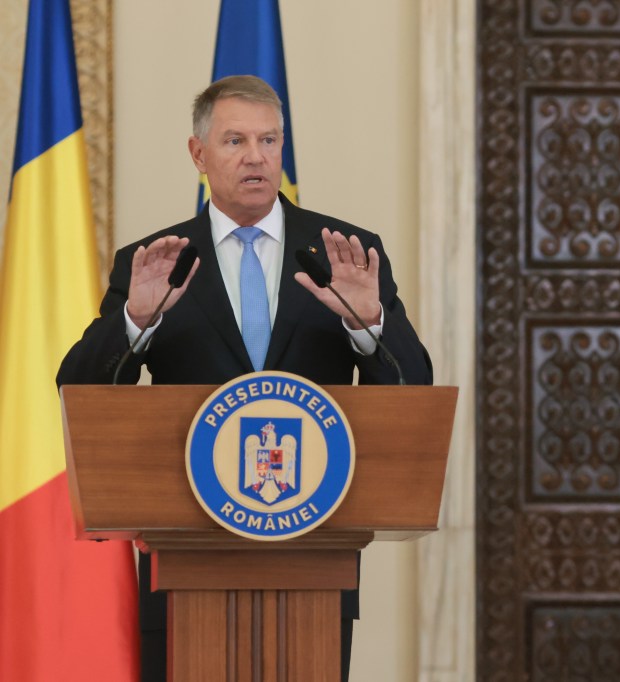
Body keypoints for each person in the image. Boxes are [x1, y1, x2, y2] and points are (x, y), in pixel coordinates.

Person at [57, 75, 431, 682]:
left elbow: (413, 390)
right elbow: (79, 390)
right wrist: (135, 321)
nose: (256, 156)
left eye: (269, 140)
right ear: (198, 153)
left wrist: (369, 325)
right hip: (183, 563)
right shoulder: (157, 261)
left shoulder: (344, 254)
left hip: (312, 557)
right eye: (235, 141)